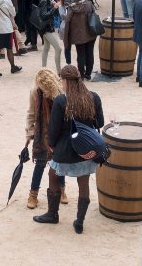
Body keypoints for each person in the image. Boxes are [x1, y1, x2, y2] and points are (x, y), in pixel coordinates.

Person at [32, 65, 104, 234]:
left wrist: (51, 145)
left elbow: (54, 130)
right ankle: (79, 221)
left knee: (53, 176)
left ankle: (52, 214)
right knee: (83, 183)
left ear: (64, 80)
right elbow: (99, 123)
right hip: (86, 149)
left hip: (64, 150)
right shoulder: (93, 97)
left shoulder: (61, 101)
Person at [25, 68, 64, 209]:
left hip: (58, 131)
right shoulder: (35, 92)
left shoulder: (59, 90)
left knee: (59, 163)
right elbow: (31, 114)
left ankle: (62, 190)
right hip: (42, 132)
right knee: (41, 162)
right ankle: (33, 194)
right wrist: (29, 133)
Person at [65, 0, 97, 79]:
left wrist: (66, 37)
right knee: (90, 53)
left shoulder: (71, 7)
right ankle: (88, 74)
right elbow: (93, 15)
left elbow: (67, 21)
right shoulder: (89, 4)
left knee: (81, 55)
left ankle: (81, 75)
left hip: (78, 35)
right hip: (91, 33)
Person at [33, 0, 63, 70]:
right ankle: (59, 71)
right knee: (58, 48)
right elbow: (44, 15)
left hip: (45, 26)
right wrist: (55, 7)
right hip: (46, 27)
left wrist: (54, 5)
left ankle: (43, 69)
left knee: (46, 47)